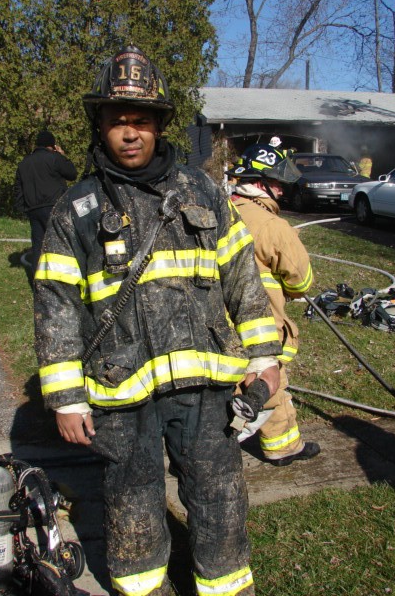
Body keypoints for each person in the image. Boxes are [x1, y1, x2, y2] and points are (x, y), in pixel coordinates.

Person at [33, 45, 283, 596]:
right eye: (117, 120)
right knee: (132, 499)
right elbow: (55, 305)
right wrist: (67, 398)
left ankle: (226, 587)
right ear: (99, 125)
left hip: (208, 387)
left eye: (140, 121)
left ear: (159, 125)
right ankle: (143, 589)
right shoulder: (76, 209)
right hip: (123, 391)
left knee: (219, 495)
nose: (129, 133)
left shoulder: (203, 193)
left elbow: (244, 280)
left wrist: (265, 360)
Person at [226, 156, 320, 466]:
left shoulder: (217, 212)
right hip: (260, 323)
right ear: (260, 184)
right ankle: (282, 447)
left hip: (215, 322)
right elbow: (301, 281)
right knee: (268, 379)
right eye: (276, 183)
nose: (280, 190)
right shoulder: (272, 226)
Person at [14, 130, 77, 274]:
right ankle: (59, 279)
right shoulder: (54, 158)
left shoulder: (24, 163)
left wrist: (23, 209)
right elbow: (72, 174)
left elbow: (18, 189)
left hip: (33, 209)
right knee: (59, 242)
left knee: (38, 246)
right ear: (52, 145)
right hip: (54, 206)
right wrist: (62, 156)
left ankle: (39, 281)